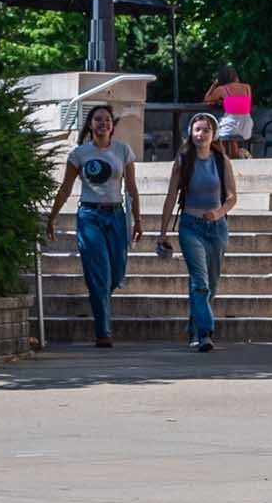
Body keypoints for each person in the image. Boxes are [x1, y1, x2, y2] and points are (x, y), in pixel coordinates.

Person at [44, 103, 137, 348]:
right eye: (98, 119)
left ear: (112, 125)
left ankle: (102, 304)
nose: (103, 123)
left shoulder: (123, 150)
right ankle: (103, 331)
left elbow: (132, 188)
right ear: (90, 124)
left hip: (116, 215)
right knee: (99, 275)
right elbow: (65, 188)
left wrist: (137, 220)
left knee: (116, 275)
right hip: (90, 216)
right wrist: (52, 217)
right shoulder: (79, 154)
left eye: (107, 119)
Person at [154, 113, 235, 352]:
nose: (201, 134)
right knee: (200, 281)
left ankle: (195, 328)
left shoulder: (221, 160)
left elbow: (232, 196)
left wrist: (218, 213)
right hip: (190, 226)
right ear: (191, 133)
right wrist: (162, 233)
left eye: (206, 130)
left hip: (217, 227)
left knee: (212, 283)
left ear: (214, 134)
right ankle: (206, 332)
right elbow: (171, 197)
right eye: (197, 130)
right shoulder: (183, 160)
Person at [204, 65, 255, 157]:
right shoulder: (247, 87)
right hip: (246, 124)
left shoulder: (222, 89)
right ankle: (236, 156)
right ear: (236, 76)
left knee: (214, 135)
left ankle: (223, 159)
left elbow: (207, 100)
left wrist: (214, 85)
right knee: (231, 138)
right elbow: (246, 104)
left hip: (230, 125)